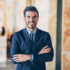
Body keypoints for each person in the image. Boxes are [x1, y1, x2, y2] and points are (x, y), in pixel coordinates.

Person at [11, 6, 54, 70]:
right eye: (28, 17)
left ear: (38, 18)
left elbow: (49, 56)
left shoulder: (45, 35)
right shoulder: (17, 35)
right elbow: (14, 59)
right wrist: (38, 55)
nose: (31, 20)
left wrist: (28, 57)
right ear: (24, 18)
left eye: (34, 17)